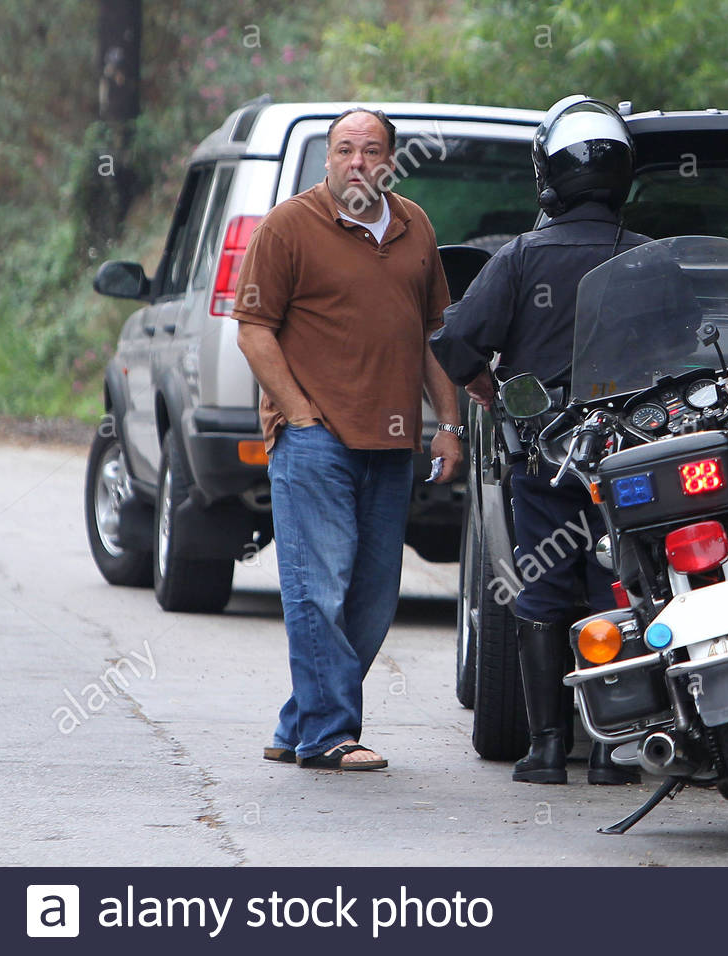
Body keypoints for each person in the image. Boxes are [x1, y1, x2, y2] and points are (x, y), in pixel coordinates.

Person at [233, 107, 464, 771]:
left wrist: (447, 426)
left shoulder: (415, 225)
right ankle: (329, 735)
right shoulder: (289, 227)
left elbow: (432, 335)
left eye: (370, 150)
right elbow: (254, 328)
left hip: (392, 442)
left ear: (391, 160)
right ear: (327, 159)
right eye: (344, 150)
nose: (357, 162)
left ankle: (297, 720)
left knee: (371, 599)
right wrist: (299, 413)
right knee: (319, 588)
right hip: (315, 441)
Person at [431, 95, 648, 785]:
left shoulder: (522, 256)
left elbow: (455, 338)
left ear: (548, 175)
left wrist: (482, 384)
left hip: (545, 460)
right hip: (630, 462)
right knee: (619, 589)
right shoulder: (648, 259)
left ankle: (548, 748)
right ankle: (614, 750)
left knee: (542, 592)